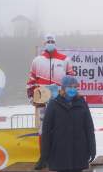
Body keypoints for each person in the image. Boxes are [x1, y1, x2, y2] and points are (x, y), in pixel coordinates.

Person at [34, 75, 96, 172]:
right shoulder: (53, 105)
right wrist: (44, 156)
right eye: (70, 86)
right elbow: (46, 132)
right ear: (62, 88)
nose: (73, 89)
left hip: (78, 152)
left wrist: (92, 147)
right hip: (59, 152)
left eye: (75, 86)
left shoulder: (82, 104)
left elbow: (89, 127)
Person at [26, 34, 74, 164]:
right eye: (48, 41)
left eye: (52, 41)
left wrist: (69, 97)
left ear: (56, 43)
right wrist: (31, 96)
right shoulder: (37, 60)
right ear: (44, 44)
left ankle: (60, 156)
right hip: (42, 100)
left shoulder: (65, 60)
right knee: (43, 128)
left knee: (61, 127)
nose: (50, 43)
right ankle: (43, 157)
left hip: (60, 99)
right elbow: (31, 80)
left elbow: (71, 81)